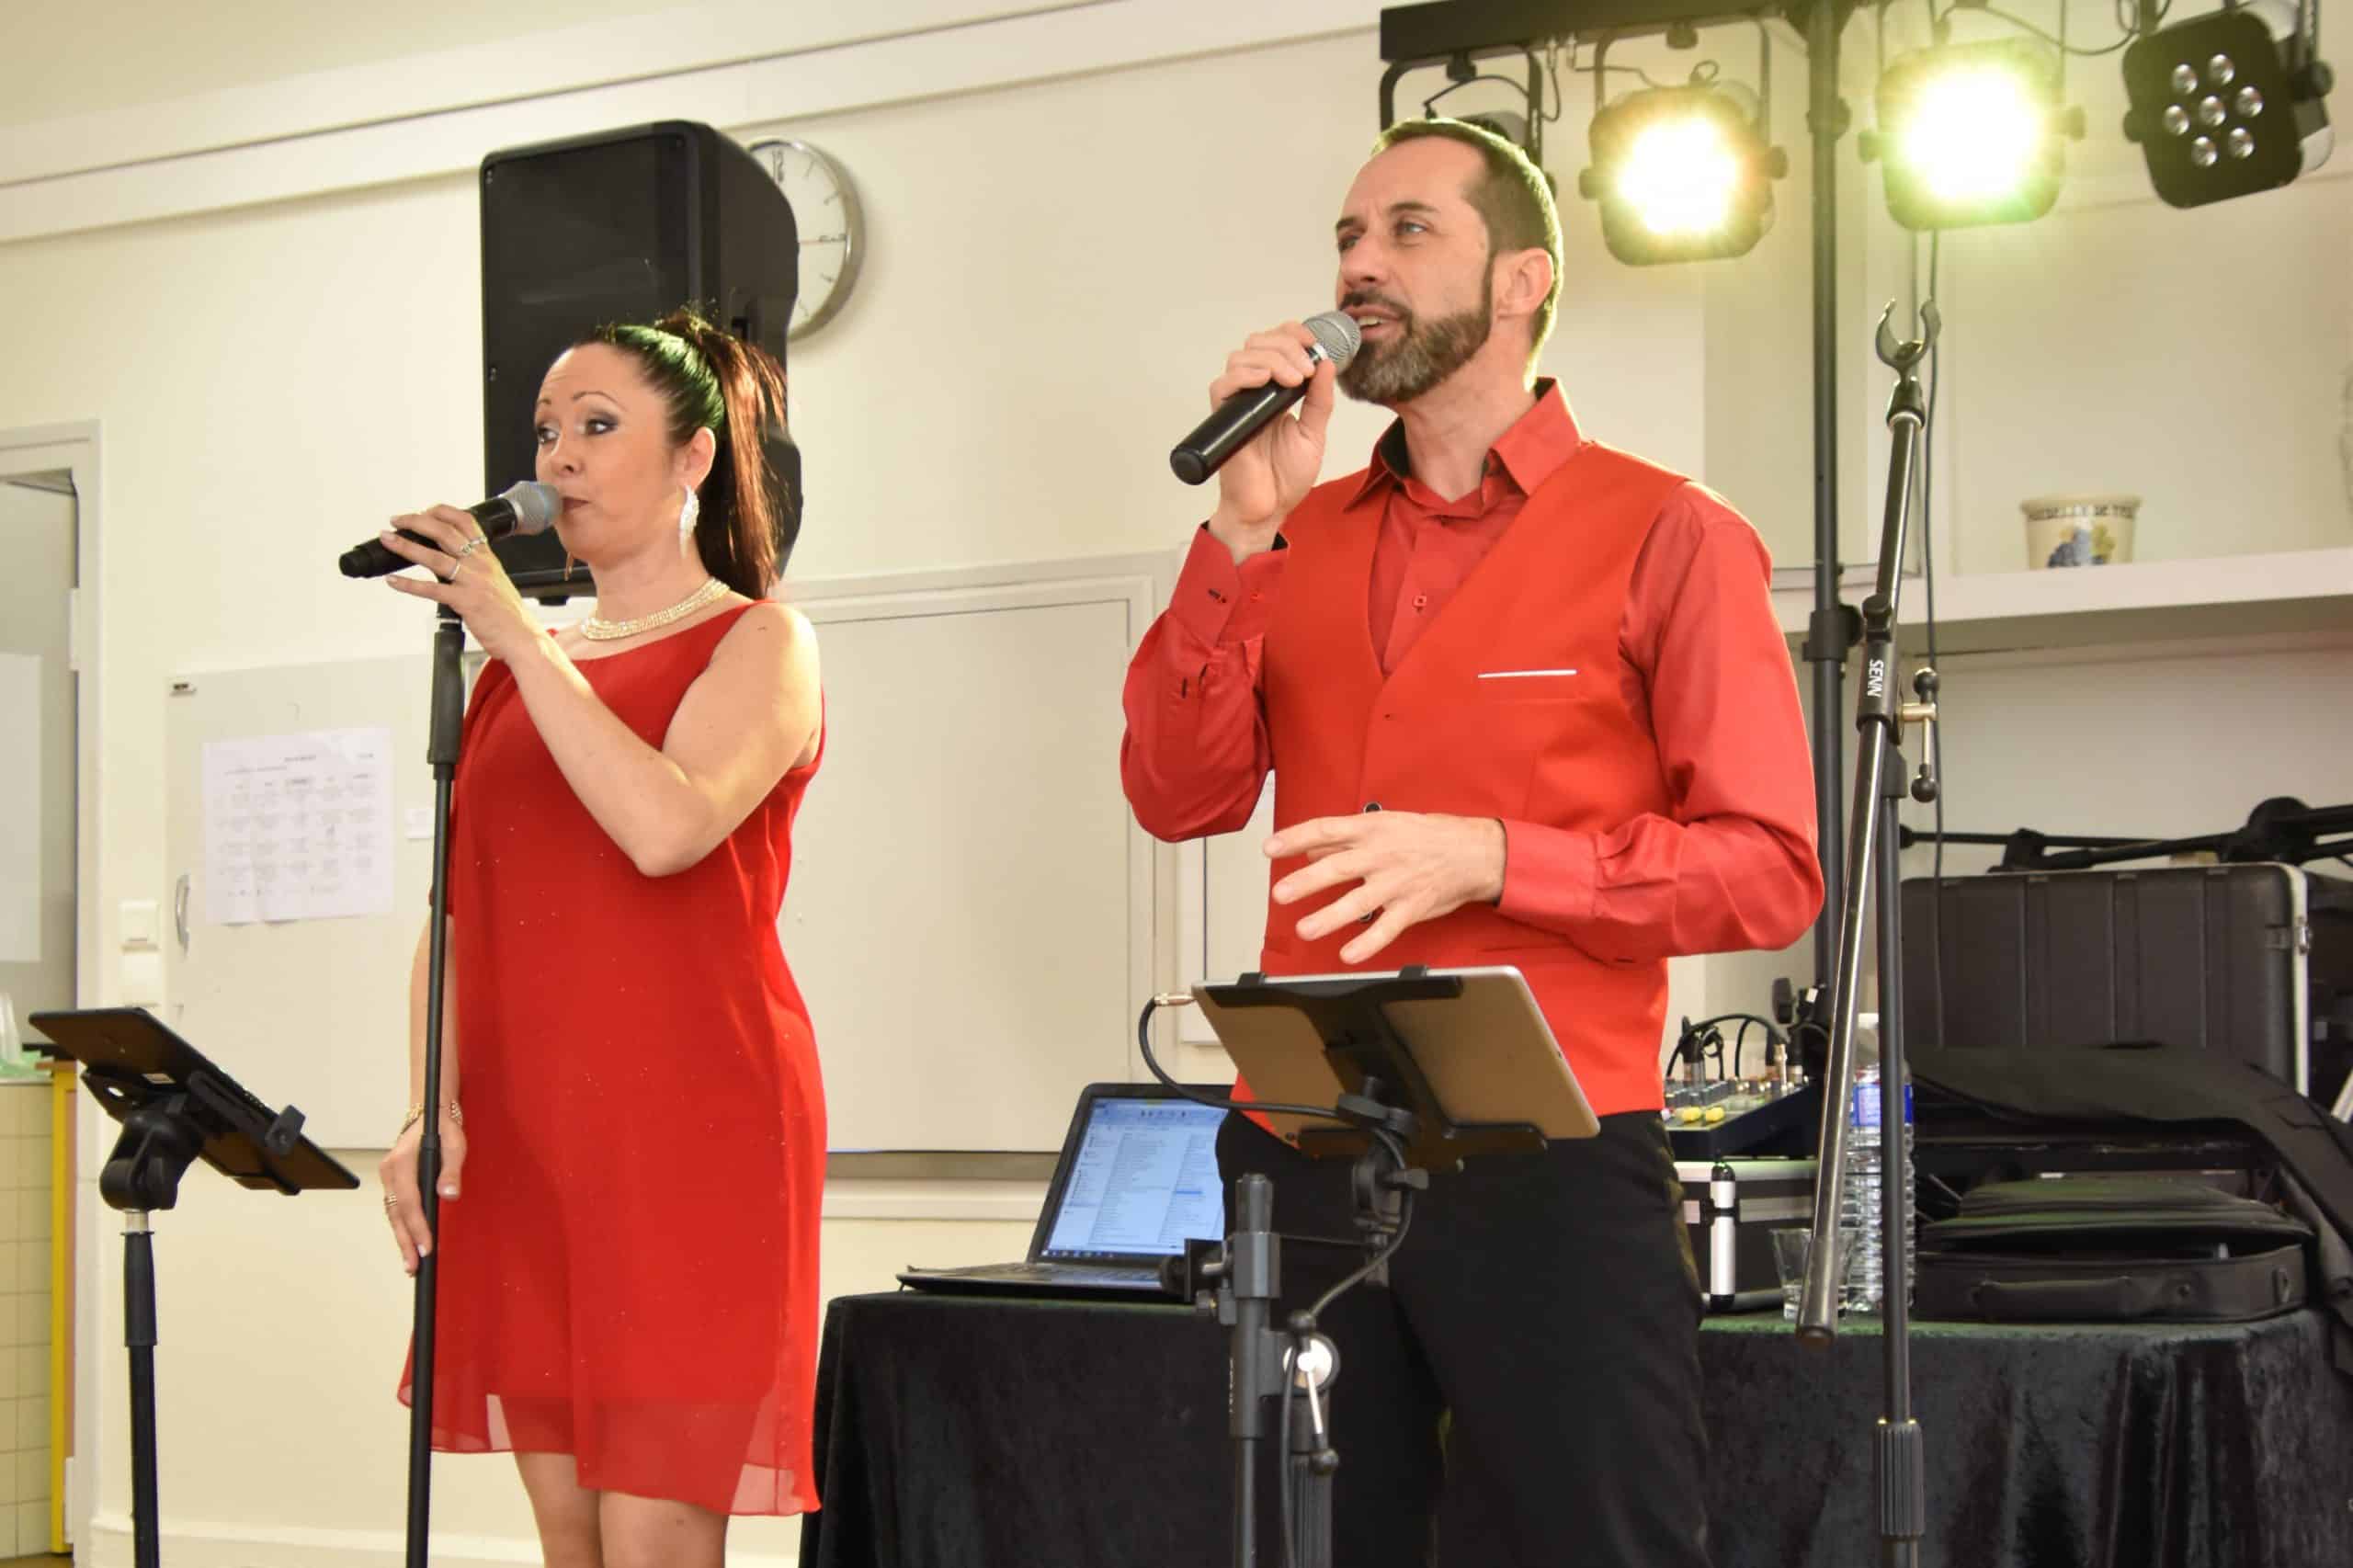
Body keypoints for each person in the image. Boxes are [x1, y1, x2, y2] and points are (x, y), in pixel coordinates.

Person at [1120, 119, 1824, 1566]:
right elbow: (1177, 793)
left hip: (1552, 1157)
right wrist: (1239, 536)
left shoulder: (1669, 531)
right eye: (1346, 239)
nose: (1359, 267)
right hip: (1308, 1144)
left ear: (1522, 280)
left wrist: (1500, 858)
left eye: (1408, 232)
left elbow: (1769, 866)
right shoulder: (1292, 530)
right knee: (1315, 1541)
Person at [374, 308, 825, 1567]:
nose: (558, 457)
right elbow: (453, 914)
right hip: (533, 1139)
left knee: (654, 1541)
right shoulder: (512, 675)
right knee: (569, 1541)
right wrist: (427, 1104)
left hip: (691, 1131)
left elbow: (666, 826)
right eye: (545, 430)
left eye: (597, 427)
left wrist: (514, 624)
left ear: (692, 460)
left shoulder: (761, 641)